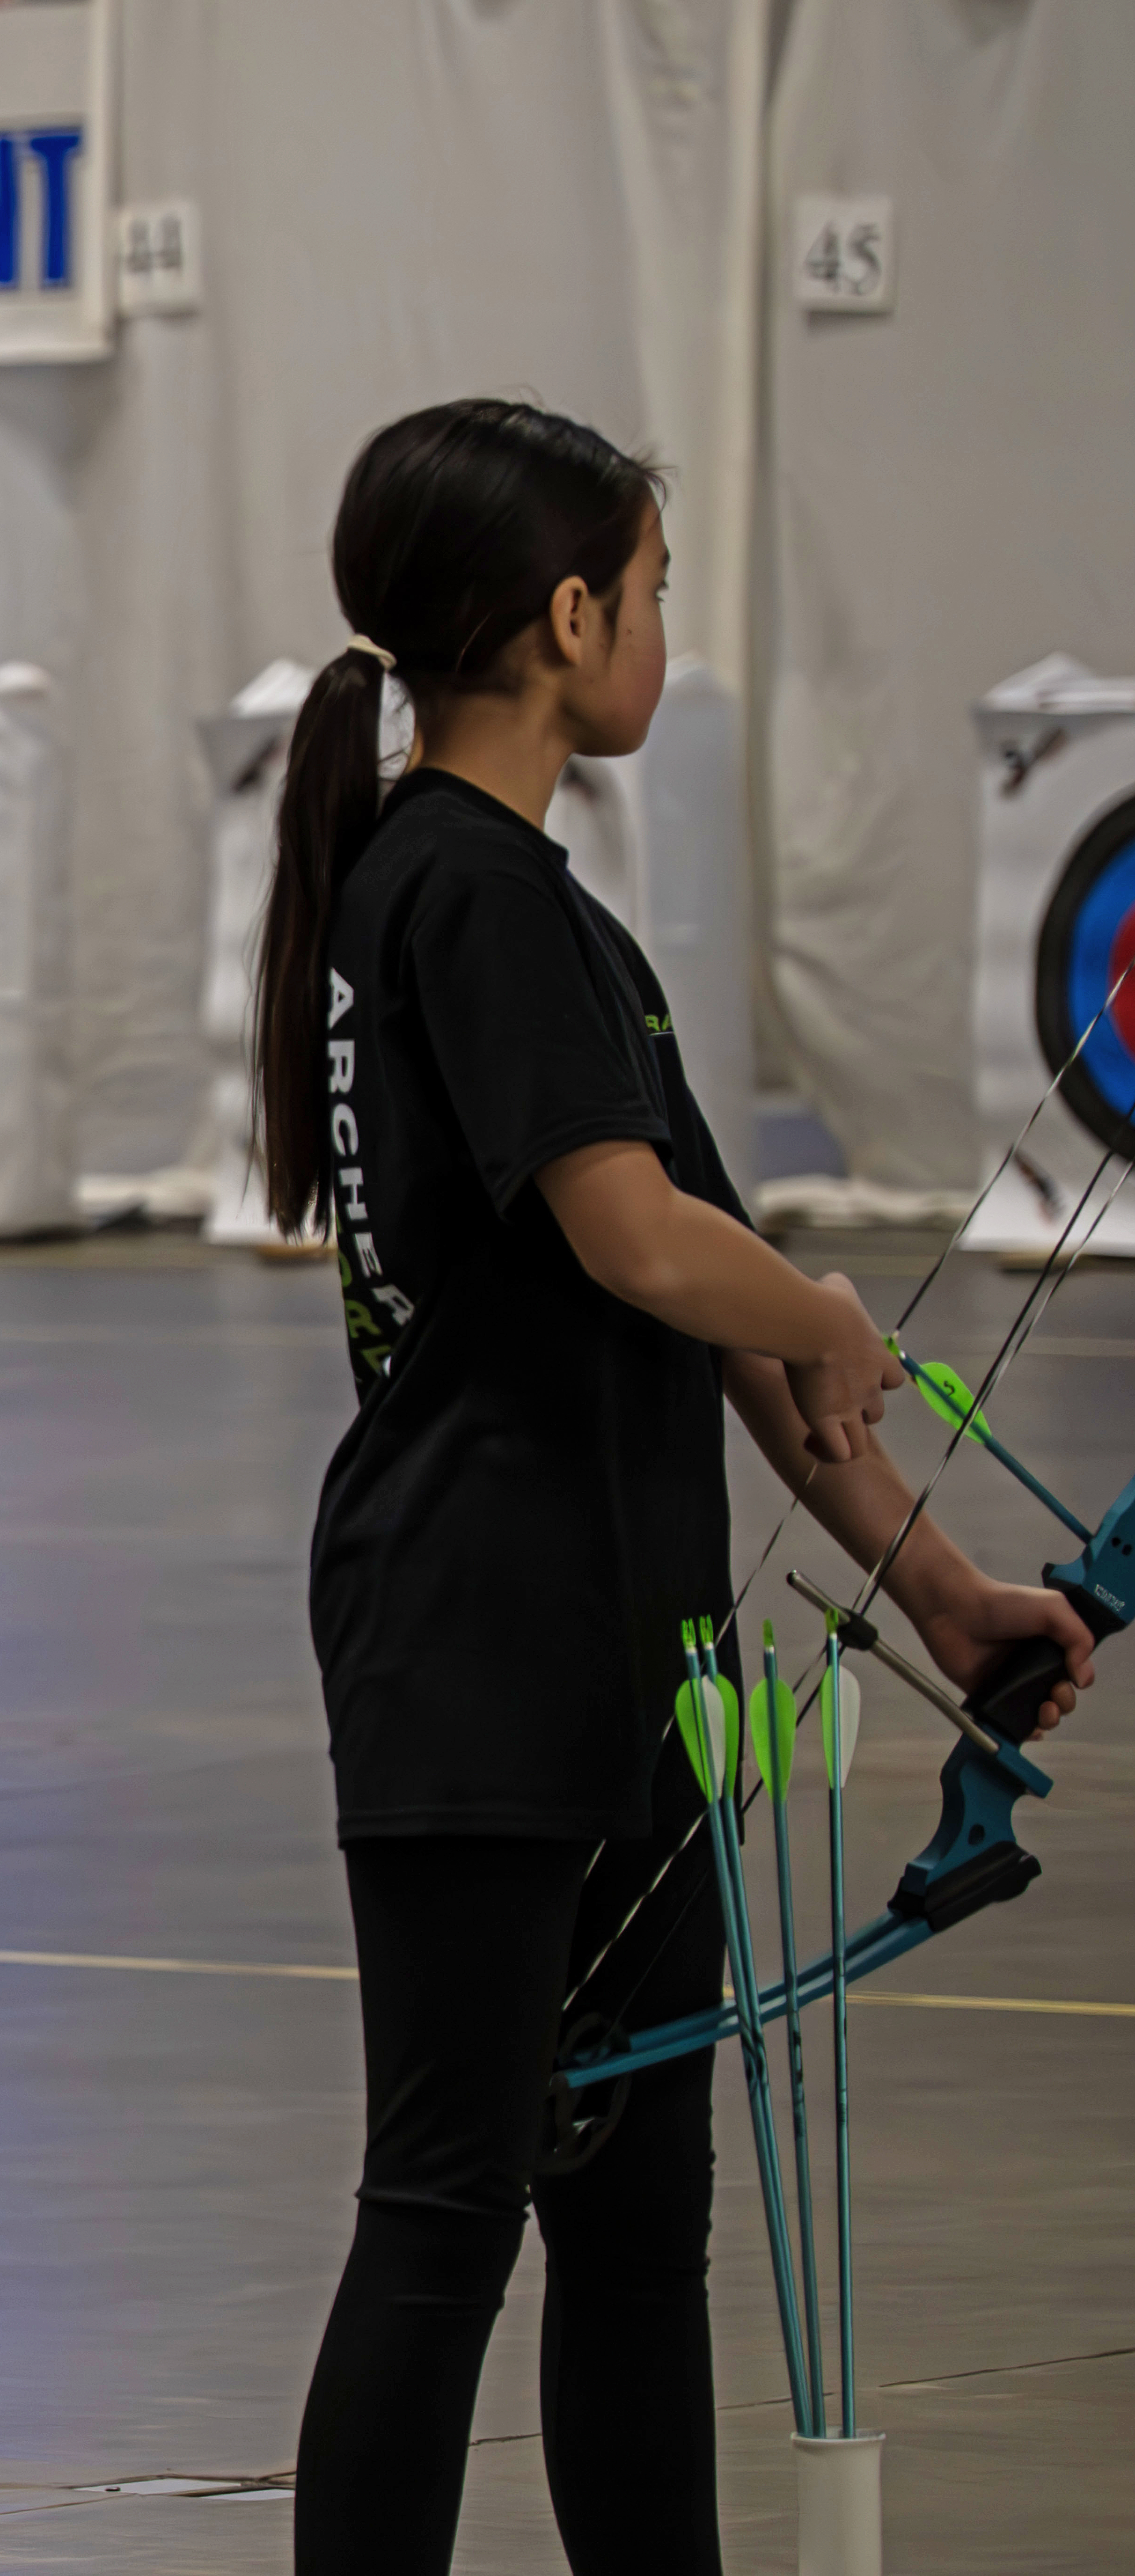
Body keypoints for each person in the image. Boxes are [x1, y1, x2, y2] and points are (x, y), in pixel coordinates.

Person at [253, 396, 1096, 2572]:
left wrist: (941, 1595)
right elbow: (650, 1240)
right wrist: (829, 1304)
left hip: (623, 1653)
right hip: (476, 1651)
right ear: (562, 619)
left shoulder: (548, 918)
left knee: (632, 2226)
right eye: (641, 594)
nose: (653, 631)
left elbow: (708, 1310)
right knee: (445, 2211)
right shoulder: (456, 887)